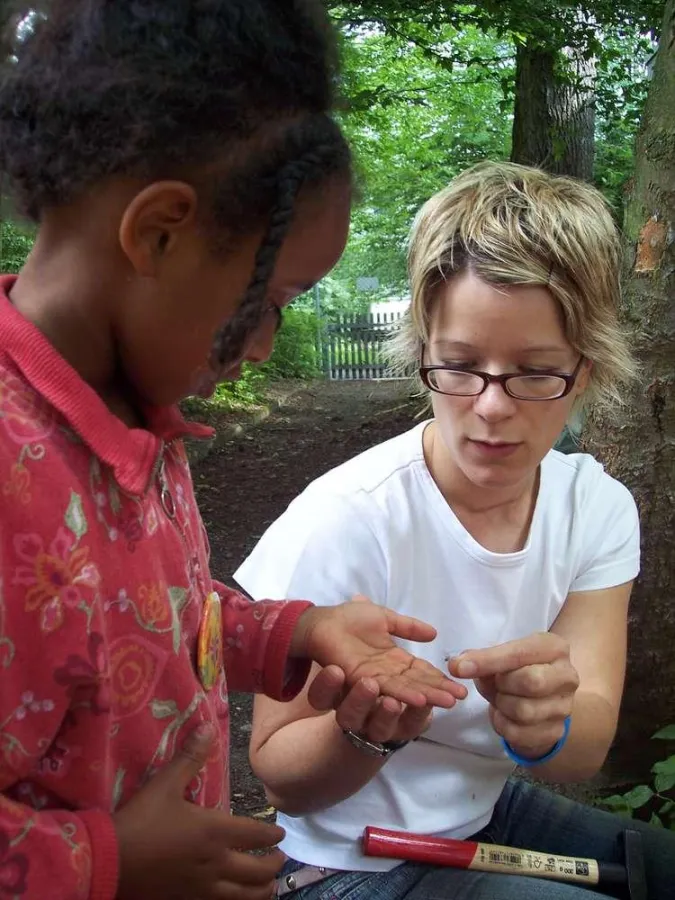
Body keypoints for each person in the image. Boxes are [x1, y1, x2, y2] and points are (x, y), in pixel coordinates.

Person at [0, 3, 470, 899]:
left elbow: (133, 612)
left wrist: (295, 631)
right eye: (273, 297)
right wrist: (111, 862)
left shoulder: (135, 411)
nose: (263, 344)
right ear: (159, 233)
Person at [237, 162, 675, 899]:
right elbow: (281, 776)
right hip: (342, 859)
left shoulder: (594, 508)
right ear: (422, 356)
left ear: (588, 369)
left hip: (483, 808)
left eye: (535, 372)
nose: (491, 407)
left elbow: (585, 746)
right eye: (460, 366)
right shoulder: (350, 515)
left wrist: (544, 725)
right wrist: (367, 729)